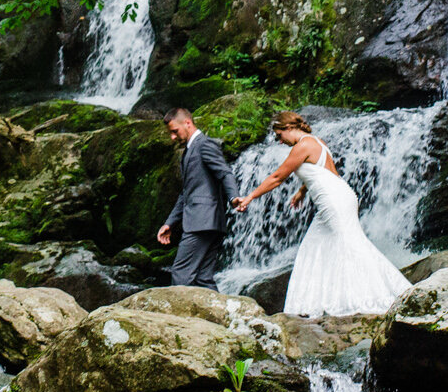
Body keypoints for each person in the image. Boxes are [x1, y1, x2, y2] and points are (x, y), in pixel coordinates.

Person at [232, 110, 412, 317]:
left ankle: (383, 296)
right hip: (340, 196)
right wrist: (302, 191)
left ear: (289, 128)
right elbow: (325, 172)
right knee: (314, 246)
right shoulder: (317, 142)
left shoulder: (304, 145)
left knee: (351, 246)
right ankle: (309, 305)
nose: (279, 141)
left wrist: (249, 197)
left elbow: (277, 177)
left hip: (333, 201)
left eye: (279, 135)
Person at [156, 107, 240, 289]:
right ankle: (220, 317)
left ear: (187, 123)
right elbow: (186, 192)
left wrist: (234, 198)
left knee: (181, 273)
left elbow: (225, 173)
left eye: (174, 131)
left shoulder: (204, 145)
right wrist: (170, 223)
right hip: (209, 222)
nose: (172, 137)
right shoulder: (190, 150)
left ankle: (178, 317)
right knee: (203, 278)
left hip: (201, 222)